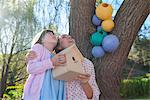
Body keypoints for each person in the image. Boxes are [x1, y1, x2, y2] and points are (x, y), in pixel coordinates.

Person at [26, 34, 100, 100]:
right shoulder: (54, 63)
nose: (69, 37)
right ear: (58, 47)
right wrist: (31, 54)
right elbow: (37, 66)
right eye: (64, 37)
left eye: (70, 36)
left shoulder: (86, 63)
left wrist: (85, 83)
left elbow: (92, 96)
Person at [23, 30, 66, 100]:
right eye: (49, 33)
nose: (53, 35)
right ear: (41, 39)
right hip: (40, 94)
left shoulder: (55, 55)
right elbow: (31, 68)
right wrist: (51, 62)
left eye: (54, 34)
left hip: (53, 93)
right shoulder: (38, 47)